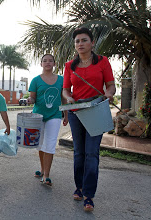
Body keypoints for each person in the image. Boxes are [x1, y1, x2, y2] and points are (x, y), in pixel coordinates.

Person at [62, 27, 116, 212]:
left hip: (96, 110)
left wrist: (108, 95)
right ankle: (79, 187)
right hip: (77, 112)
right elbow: (65, 89)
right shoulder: (70, 65)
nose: (80, 44)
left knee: (92, 153)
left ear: (92, 43)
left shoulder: (103, 62)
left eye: (84, 40)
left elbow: (110, 85)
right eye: (77, 41)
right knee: (79, 153)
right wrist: (68, 98)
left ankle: (89, 196)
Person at [27, 54, 68, 186]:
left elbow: (64, 99)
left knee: (49, 144)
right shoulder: (35, 80)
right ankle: (42, 168)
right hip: (38, 116)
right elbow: (33, 98)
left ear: (54, 64)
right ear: (41, 64)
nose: (48, 62)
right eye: (45, 61)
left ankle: (46, 175)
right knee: (40, 144)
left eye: (50, 61)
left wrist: (66, 115)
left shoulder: (61, 80)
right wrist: (30, 100)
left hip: (55, 115)